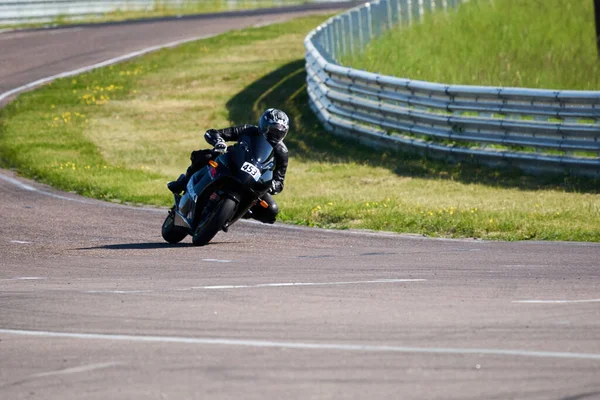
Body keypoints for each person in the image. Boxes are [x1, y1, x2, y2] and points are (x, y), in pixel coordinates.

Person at [167, 108, 289, 224]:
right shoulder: (249, 130)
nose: (274, 135)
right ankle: (183, 182)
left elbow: (280, 179)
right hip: (233, 163)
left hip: (254, 180)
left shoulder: (282, 152)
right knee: (205, 156)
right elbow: (214, 133)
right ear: (264, 126)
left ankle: (235, 212)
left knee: (271, 211)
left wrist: (275, 185)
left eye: (279, 132)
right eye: (272, 130)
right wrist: (219, 141)